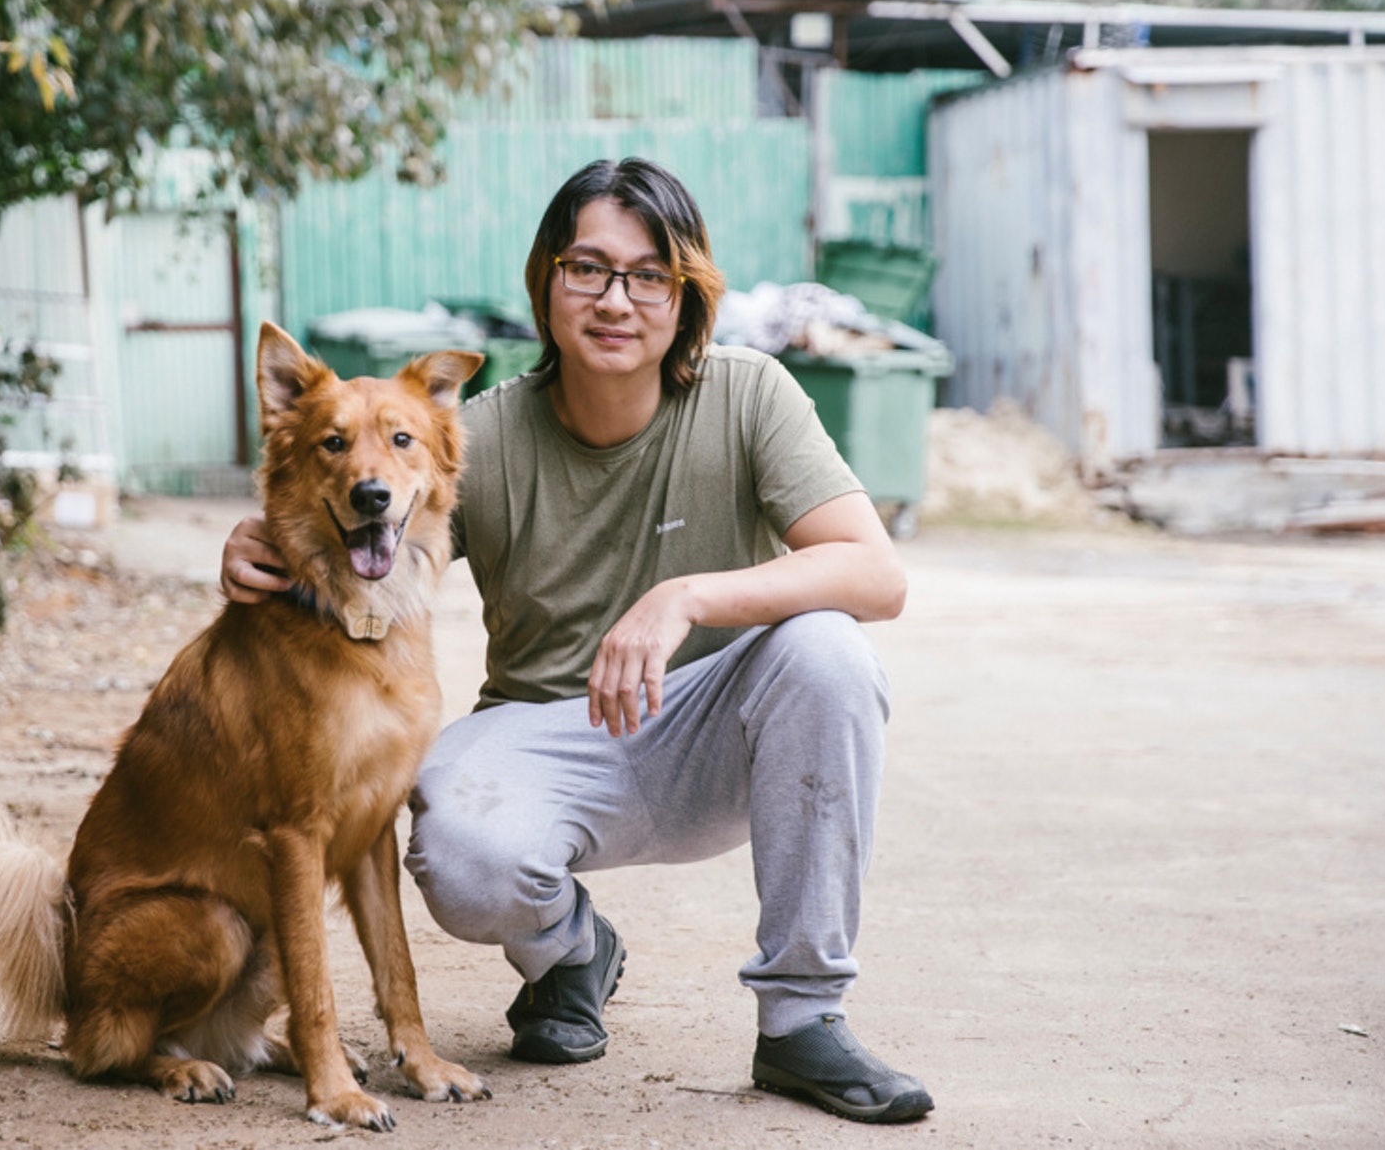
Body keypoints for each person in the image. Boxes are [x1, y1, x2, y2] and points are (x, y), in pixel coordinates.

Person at [220, 157, 933, 1124]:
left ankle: (803, 1019)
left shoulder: (751, 395)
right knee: (459, 836)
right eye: (587, 268)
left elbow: (876, 575)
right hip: (550, 742)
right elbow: (370, 531)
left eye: (649, 276)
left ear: (687, 297)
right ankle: (569, 953)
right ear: (546, 282)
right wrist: (262, 542)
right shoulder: (480, 433)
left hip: (711, 729)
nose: (616, 299)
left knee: (829, 651)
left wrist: (686, 596)